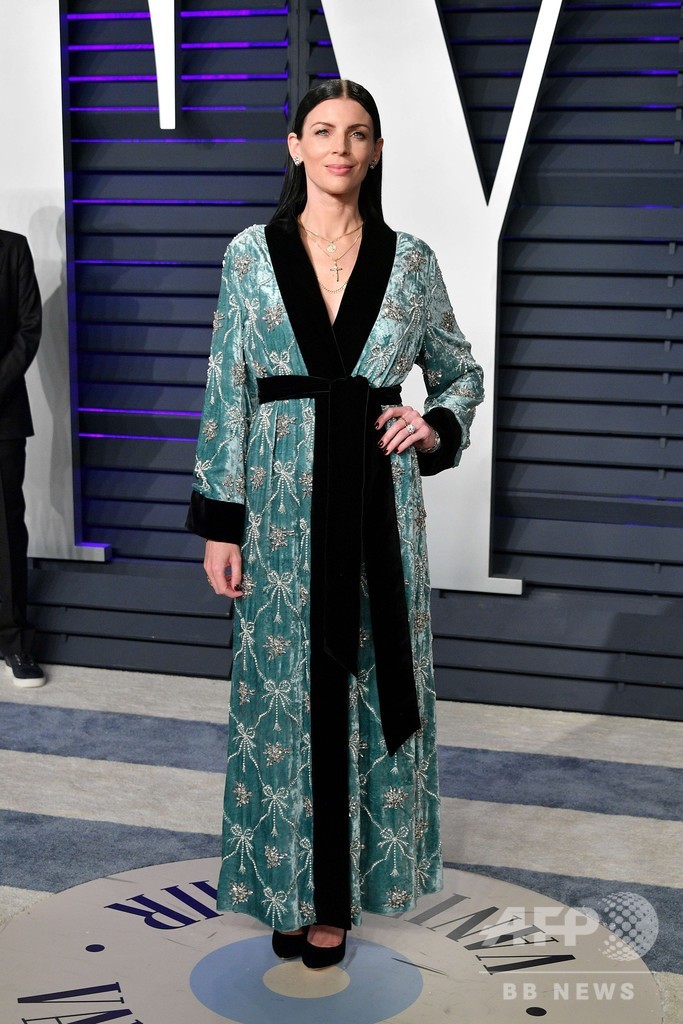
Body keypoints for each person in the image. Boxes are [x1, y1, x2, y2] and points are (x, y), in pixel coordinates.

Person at [187, 79, 484, 968]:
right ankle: (287, 884)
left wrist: (435, 425)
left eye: (357, 134)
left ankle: (341, 898)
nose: (340, 148)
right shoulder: (249, 254)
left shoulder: (411, 260)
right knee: (283, 694)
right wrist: (222, 522)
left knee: (363, 685)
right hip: (277, 509)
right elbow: (226, 387)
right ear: (295, 146)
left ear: (377, 151)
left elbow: (460, 372)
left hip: (375, 507)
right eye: (322, 131)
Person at [0, 229, 45, 687]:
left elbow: (29, 329)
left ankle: (14, 641)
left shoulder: (12, 248)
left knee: (7, 529)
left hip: (3, 415)